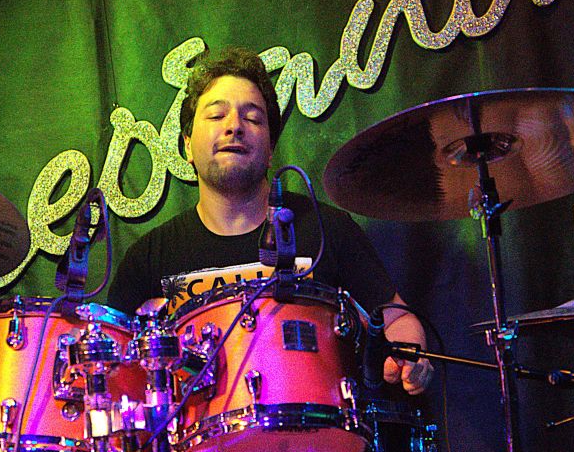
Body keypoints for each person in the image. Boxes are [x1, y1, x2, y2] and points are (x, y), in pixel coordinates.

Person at [108, 46, 433, 395]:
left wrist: (408, 355)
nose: (234, 126)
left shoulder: (328, 229)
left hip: (319, 426)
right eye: (216, 115)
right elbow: (114, 370)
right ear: (187, 145)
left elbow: (398, 318)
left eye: (252, 118)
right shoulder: (148, 261)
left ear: (270, 149)